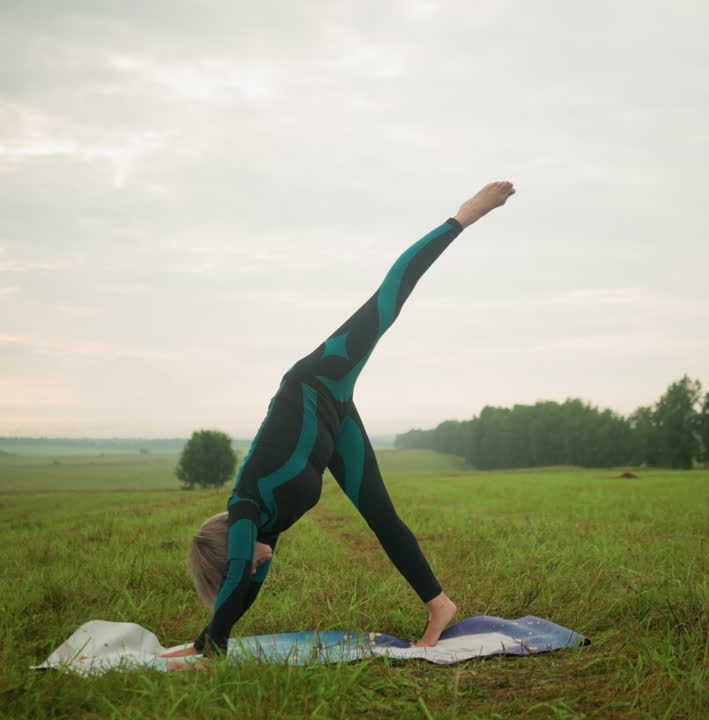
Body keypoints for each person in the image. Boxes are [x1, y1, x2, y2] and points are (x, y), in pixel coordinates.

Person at [173, 181, 516, 660]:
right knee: (381, 516)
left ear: (234, 542)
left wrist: (213, 645)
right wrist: (205, 641)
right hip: (335, 421)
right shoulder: (263, 536)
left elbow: (234, 577)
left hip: (317, 379)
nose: (254, 572)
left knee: (387, 302)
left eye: (243, 563)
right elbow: (240, 591)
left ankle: (462, 216)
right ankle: (440, 604)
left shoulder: (247, 502)